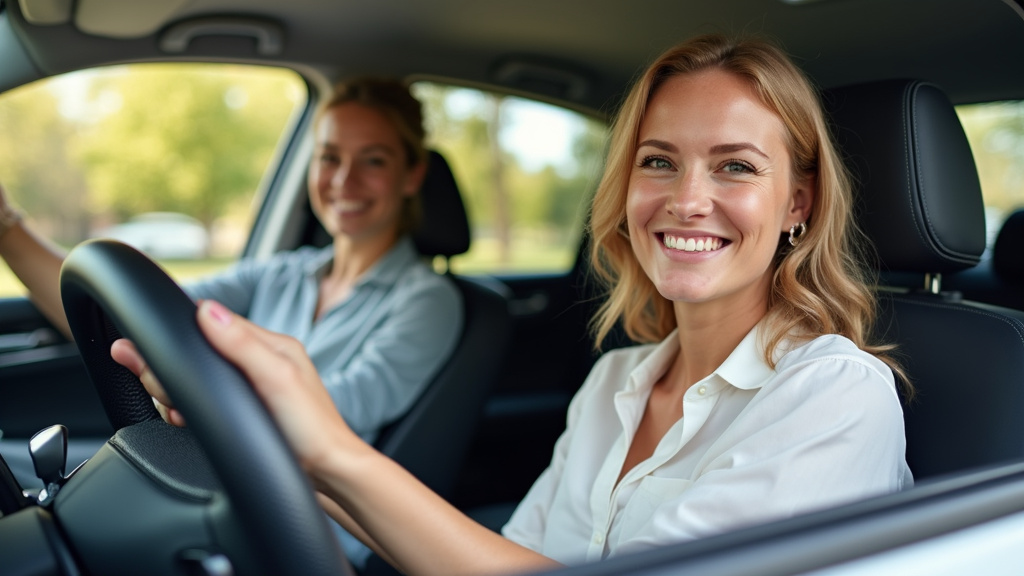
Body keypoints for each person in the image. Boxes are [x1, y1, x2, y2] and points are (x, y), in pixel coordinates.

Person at [113, 34, 912, 575]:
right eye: (659, 161)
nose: (687, 199)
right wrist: (271, 443)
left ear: (799, 204)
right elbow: (506, 557)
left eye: (735, 167)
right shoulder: (616, 384)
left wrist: (332, 451)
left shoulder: (836, 396)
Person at [0, 77, 464, 567]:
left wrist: (203, 386)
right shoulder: (283, 272)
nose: (344, 180)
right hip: (217, 475)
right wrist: (8, 228)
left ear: (412, 175)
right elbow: (147, 313)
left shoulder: (429, 300)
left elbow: (342, 409)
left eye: (374, 160)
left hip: (301, 527)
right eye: (329, 157)